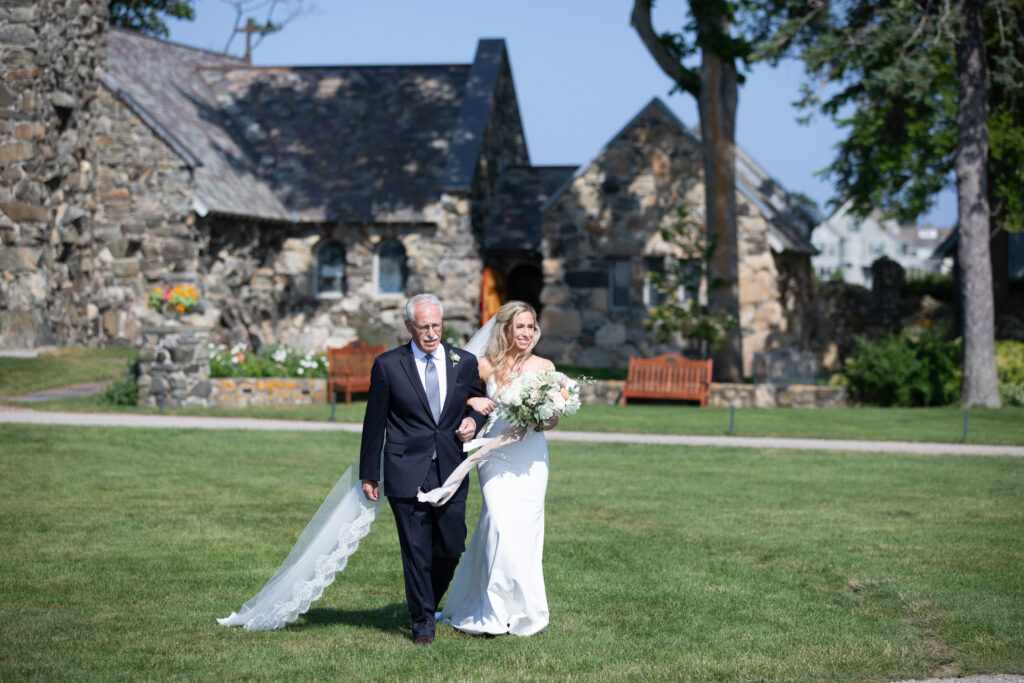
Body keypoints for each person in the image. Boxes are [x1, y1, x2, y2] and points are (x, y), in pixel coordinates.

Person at [358, 293, 487, 645]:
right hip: (405, 468)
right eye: (423, 327)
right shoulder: (388, 365)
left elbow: (478, 403)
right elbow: (374, 423)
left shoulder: (464, 361)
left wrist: (473, 422)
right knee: (415, 551)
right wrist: (370, 472)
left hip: (451, 468)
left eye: (436, 326)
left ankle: (424, 601)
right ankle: (423, 624)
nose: (431, 333)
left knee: (451, 546)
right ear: (408, 327)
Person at [438, 300, 556, 636]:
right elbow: (450, 397)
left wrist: (547, 415)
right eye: (519, 326)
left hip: (531, 456)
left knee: (525, 531)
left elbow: (554, 419)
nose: (526, 332)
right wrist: (471, 402)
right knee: (498, 524)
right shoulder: (484, 366)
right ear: (505, 328)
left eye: (530, 326)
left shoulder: (544, 366)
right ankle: (491, 608)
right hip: (495, 455)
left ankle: (520, 607)